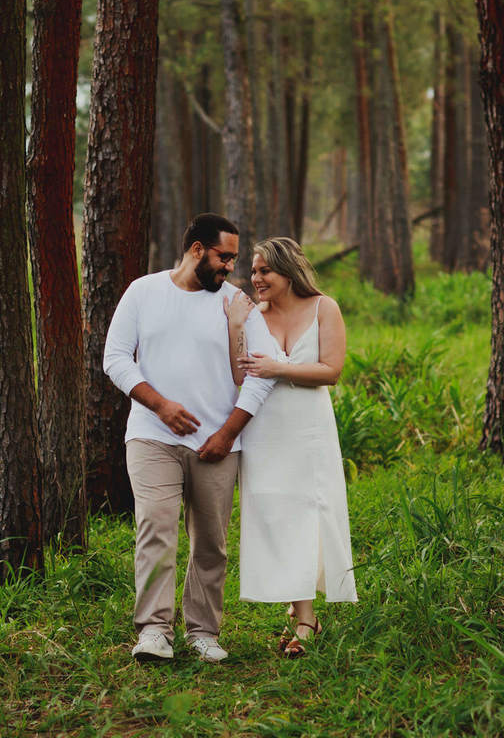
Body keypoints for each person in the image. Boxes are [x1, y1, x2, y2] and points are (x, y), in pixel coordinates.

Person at [103, 214, 278, 663]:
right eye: (224, 257)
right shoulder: (143, 292)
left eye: (234, 259)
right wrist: (160, 405)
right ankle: (154, 631)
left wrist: (227, 432)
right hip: (151, 437)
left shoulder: (236, 302)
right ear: (197, 250)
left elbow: (261, 375)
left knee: (211, 543)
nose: (231, 268)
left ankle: (203, 632)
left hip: (218, 444)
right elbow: (116, 358)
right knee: (156, 531)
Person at [225, 237, 358, 659]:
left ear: (287, 272)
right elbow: (239, 376)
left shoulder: (325, 308)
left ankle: (305, 618)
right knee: (275, 515)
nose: (255, 278)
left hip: (308, 430)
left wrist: (278, 368)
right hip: (263, 431)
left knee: (307, 512)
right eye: (254, 270)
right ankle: (299, 609)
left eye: (264, 271)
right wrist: (234, 327)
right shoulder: (253, 317)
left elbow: (331, 370)